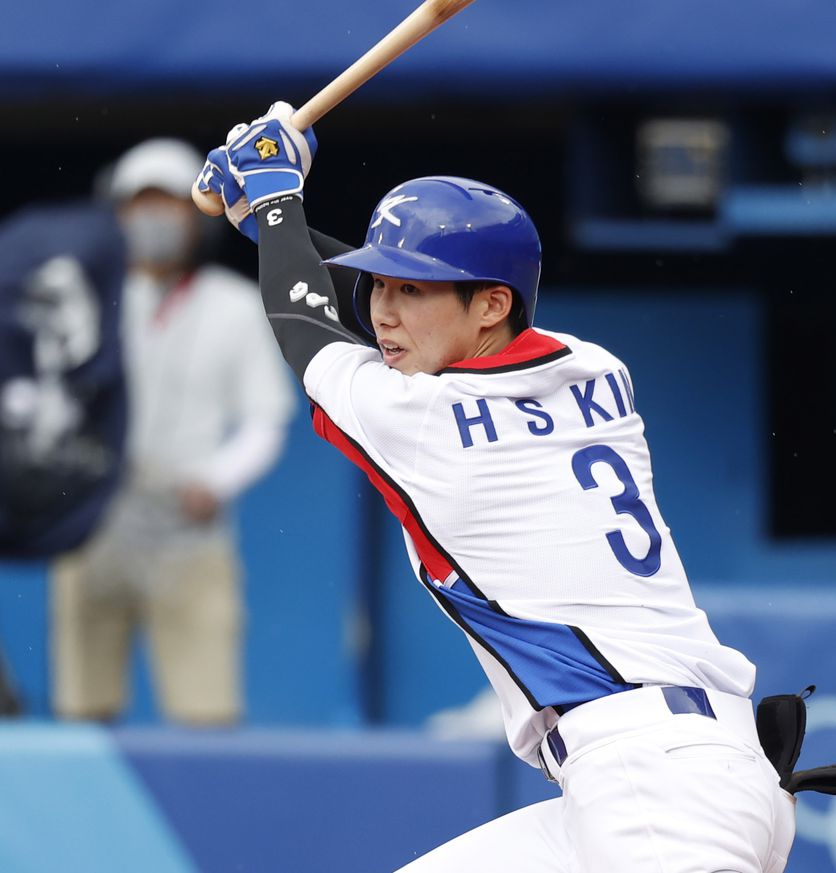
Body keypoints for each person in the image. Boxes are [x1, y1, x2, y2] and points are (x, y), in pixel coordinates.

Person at [196, 102, 797, 872]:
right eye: (380, 285)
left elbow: (303, 323)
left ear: (492, 304)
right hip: (664, 769)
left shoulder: (423, 420)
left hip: (655, 782)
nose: (386, 310)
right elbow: (362, 313)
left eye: (412, 289)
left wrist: (280, 200)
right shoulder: (592, 367)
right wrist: (268, 224)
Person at [50, 138, 295, 726]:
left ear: (199, 215)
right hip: (94, 524)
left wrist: (216, 478)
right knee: (82, 713)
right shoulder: (78, 296)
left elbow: (266, 417)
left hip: (188, 527)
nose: (154, 218)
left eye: (170, 202)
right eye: (140, 203)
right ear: (117, 213)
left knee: (206, 712)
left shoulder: (234, 305)